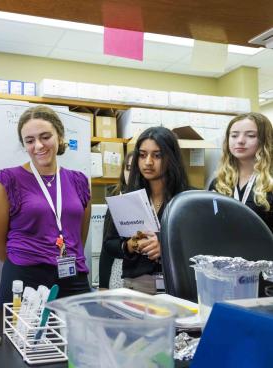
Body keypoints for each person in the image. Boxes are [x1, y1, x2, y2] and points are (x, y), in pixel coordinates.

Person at [0, 105, 92, 306]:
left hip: (73, 276)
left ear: (59, 136)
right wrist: (29, 256)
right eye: (30, 140)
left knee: (78, 335)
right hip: (25, 277)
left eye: (45, 137)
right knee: (20, 336)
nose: (38, 145)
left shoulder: (79, 181)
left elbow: (79, 236)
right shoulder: (7, 180)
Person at [102, 127, 190, 294]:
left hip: (177, 284)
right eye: (142, 155)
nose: (148, 162)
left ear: (171, 158)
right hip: (136, 285)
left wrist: (165, 247)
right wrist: (131, 244)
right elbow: (109, 245)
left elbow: (198, 245)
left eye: (157, 155)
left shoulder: (187, 199)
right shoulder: (127, 199)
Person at [209, 113, 273, 232]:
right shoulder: (219, 183)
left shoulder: (270, 182)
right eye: (234, 135)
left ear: (264, 140)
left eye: (250, 135)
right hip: (224, 249)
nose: (240, 141)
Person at [99, 151, 133, 289]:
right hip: (120, 274)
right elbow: (106, 246)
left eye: (135, 168)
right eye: (128, 168)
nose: (130, 174)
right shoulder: (118, 201)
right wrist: (103, 287)